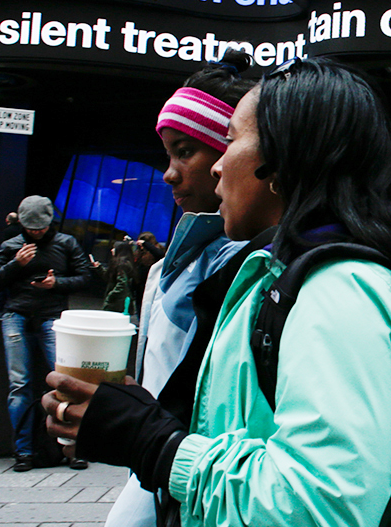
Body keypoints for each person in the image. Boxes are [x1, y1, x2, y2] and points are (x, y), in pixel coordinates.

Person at [45, 57, 391, 527]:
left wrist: (155, 443)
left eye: (231, 141)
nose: (217, 166)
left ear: (280, 159)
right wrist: (138, 418)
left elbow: (322, 505)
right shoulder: (274, 272)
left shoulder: (336, 290)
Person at [70, 54, 258, 527]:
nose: (168, 173)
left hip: (195, 476)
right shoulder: (179, 259)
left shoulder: (257, 267)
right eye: (167, 153)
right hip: (164, 467)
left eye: (185, 151)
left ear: (231, 154)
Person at [0, 195, 94, 472]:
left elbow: (85, 277)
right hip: (16, 314)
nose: (36, 232)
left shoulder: (66, 243)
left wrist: (56, 283)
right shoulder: (11, 246)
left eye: (40, 227)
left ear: (49, 222)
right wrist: (15, 265)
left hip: (52, 316)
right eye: (30, 227)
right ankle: (23, 452)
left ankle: (74, 447)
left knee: (65, 382)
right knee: (19, 385)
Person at [100, 241, 138, 317]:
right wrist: (99, 268)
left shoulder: (121, 264)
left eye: (114, 248)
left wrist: (111, 295)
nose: (112, 250)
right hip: (121, 300)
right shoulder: (125, 263)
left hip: (117, 301)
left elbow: (122, 283)